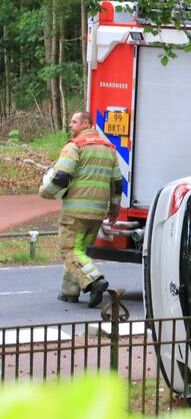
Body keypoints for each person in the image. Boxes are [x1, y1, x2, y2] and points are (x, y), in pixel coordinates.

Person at [39, 112, 121, 307]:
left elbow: (60, 177)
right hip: (98, 212)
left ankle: (95, 281)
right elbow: (117, 184)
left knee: (69, 249)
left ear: (86, 123)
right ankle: (69, 292)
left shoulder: (75, 146)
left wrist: (45, 192)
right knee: (79, 250)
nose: (70, 125)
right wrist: (114, 209)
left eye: (74, 122)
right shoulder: (109, 148)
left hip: (75, 212)